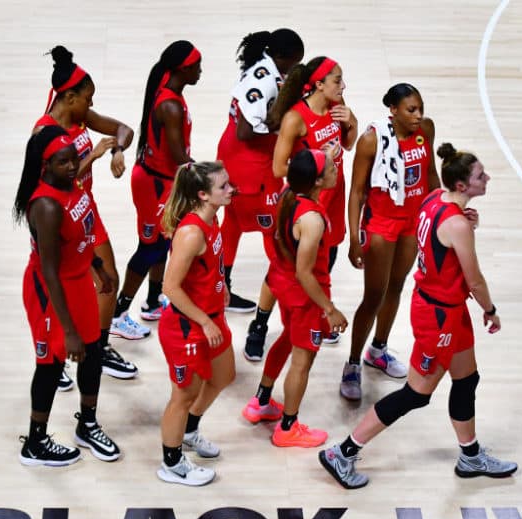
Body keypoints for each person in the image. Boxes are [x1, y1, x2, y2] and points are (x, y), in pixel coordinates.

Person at [318, 143, 517, 488]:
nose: (486, 178)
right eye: (479, 176)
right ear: (461, 186)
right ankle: (343, 452)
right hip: (438, 317)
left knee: (467, 379)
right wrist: (491, 310)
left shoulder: (435, 198)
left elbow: (439, 235)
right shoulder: (458, 225)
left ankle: (470, 457)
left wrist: (468, 223)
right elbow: (476, 280)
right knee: (416, 394)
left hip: (446, 308)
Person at [14, 125, 122, 466]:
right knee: (50, 365)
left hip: (78, 281)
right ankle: (35, 441)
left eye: (74, 160)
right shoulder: (46, 206)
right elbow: (49, 270)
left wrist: (98, 267)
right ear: (45, 167)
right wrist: (69, 331)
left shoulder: (73, 187)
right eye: (63, 163)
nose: (73, 166)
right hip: (50, 291)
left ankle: (87, 425)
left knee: (93, 353)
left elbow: (80, 237)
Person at [35, 46, 139, 385]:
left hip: (86, 210)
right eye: (87, 98)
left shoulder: (79, 117)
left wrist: (118, 152)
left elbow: (124, 129)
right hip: (60, 220)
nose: (91, 105)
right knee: (61, 289)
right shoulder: (44, 133)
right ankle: (56, 358)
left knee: (108, 281)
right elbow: (50, 188)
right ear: (68, 97)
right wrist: (93, 157)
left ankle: (99, 348)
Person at [340, 83, 440, 400]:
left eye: (420, 108)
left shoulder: (426, 129)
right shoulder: (371, 138)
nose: (418, 115)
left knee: (397, 287)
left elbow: (430, 174)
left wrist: (439, 214)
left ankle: (378, 350)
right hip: (382, 223)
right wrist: (355, 238)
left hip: (412, 221)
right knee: (374, 295)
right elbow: (356, 192)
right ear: (393, 110)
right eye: (411, 109)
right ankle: (353, 363)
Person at [241, 148, 347, 447]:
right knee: (302, 361)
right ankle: (288, 427)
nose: (335, 169)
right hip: (306, 297)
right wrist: (330, 309)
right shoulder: (312, 220)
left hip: (282, 285)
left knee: (287, 338)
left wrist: (327, 153)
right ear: (316, 181)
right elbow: (305, 272)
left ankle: (261, 400)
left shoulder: (289, 192)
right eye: (330, 167)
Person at [251, 55, 356, 346]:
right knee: (281, 267)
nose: (343, 85)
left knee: (327, 257)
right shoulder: (296, 118)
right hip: (304, 201)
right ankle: (259, 325)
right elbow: (278, 168)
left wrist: (352, 123)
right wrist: (316, 163)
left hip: (332, 195)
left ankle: (320, 310)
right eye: (337, 81)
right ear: (319, 84)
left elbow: (348, 144)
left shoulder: (338, 107)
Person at [113, 40, 203, 337]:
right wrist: (207, 175)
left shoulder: (171, 92)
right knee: (150, 248)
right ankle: (117, 313)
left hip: (162, 180)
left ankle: (153, 301)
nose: (200, 71)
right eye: (197, 66)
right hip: (154, 184)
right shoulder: (169, 104)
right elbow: (178, 157)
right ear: (183, 68)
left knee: (163, 242)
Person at [156, 161, 237, 485]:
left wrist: (222, 285)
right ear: (203, 195)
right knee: (183, 396)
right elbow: (170, 287)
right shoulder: (191, 233)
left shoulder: (212, 216)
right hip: (187, 327)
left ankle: (189, 430)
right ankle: (172, 463)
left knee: (224, 375)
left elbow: (207, 266)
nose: (231, 189)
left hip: (211, 317)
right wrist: (204, 321)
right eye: (223, 187)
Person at [217, 29, 304, 320]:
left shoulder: (265, 68)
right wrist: (280, 127)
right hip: (250, 163)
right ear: (280, 57)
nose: (292, 69)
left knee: (231, 223)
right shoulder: (264, 79)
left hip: (235, 155)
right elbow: (246, 131)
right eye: (293, 63)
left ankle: (222, 289)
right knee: (275, 228)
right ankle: (292, 291)